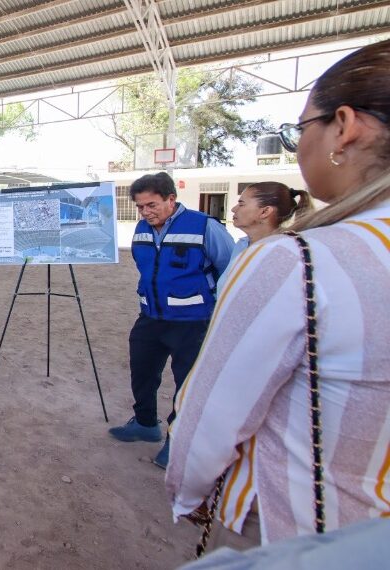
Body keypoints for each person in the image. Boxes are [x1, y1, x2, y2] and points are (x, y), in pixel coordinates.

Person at [166, 39, 390, 547]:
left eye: (301, 129)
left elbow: (214, 415)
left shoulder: (298, 260)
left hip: (298, 530)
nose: (299, 144)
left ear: (345, 127)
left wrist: (189, 493)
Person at [107, 171, 234, 469]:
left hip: (192, 321)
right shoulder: (141, 229)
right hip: (150, 317)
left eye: (151, 205)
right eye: (140, 207)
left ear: (171, 199)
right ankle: (145, 423)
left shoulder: (205, 227)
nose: (145, 212)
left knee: (186, 383)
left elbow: (230, 268)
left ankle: (177, 441)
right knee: (142, 370)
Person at [217, 182, 313, 290]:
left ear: (265, 211)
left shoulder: (283, 251)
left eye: (241, 204)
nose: (233, 209)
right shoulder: (242, 245)